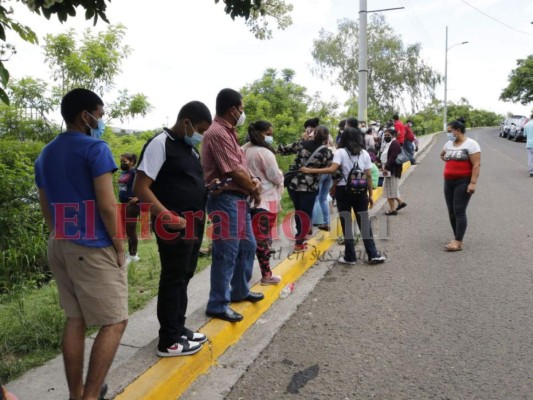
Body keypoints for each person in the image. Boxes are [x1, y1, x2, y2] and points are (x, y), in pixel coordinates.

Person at [34, 88, 127, 400]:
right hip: (92, 245)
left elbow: (46, 207)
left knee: (76, 319)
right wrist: (120, 244)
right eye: (99, 116)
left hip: (59, 242)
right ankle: (89, 397)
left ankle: (77, 395)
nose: (100, 122)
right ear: (84, 116)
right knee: (115, 321)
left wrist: (60, 234)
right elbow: (107, 204)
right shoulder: (95, 149)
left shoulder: (46, 154)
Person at [134, 101, 213, 357]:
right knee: (173, 278)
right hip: (173, 224)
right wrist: (166, 216)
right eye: (200, 129)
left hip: (193, 221)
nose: (200, 135)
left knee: (185, 275)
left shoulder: (189, 150)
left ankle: (178, 328)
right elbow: (141, 187)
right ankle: (168, 341)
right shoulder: (160, 143)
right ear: (187, 122)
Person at [201, 88, 264, 323]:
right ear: (233, 109)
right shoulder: (217, 133)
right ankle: (218, 303)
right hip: (225, 199)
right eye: (242, 108)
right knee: (226, 253)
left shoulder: (229, 132)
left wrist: (253, 183)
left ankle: (240, 290)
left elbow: (242, 166)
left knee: (247, 245)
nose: (242, 112)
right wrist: (254, 188)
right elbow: (234, 170)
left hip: (237, 200)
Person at [301, 127, 386, 265]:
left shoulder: (340, 152)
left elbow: (332, 169)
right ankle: (373, 254)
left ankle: (350, 257)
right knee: (364, 222)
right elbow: (369, 175)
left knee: (346, 223)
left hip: (344, 191)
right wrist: (370, 194)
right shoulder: (364, 153)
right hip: (361, 191)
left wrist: (310, 170)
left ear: (344, 138)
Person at [278, 125, 333, 252]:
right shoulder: (327, 152)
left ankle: (299, 237)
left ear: (313, 134)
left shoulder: (302, 143)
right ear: (326, 137)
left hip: (294, 184)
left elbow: (284, 150)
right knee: (305, 213)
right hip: (309, 187)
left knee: (298, 211)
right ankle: (299, 241)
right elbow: (333, 171)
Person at [242, 120, 283, 285]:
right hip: (266, 201)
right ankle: (266, 275)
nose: (270, 138)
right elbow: (275, 176)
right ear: (260, 133)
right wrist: (281, 174)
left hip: (246, 200)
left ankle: (243, 277)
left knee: (247, 240)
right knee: (263, 240)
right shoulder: (265, 153)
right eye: (269, 134)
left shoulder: (241, 150)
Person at [440, 118, 481, 251]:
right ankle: (457, 237)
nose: (448, 134)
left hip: (463, 181)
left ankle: (458, 241)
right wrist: (449, 160)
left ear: (458, 131)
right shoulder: (449, 144)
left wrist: (473, 183)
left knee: (459, 210)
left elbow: (476, 164)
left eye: (450, 131)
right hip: (448, 182)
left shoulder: (471, 144)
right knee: (451, 211)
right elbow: (442, 155)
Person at [118, 153, 141, 265]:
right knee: (127, 230)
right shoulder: (124, 172)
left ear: (132, 162)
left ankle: (133, 255)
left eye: (124, 161)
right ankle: (130, 253)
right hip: (123, 204)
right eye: (121, 161)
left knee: (131, 230)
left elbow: (145, 184)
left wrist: (139, 197)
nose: (122, 163)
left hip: (132, 205)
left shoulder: (134, 172)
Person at [381, 127, 407, 215]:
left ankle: (392, 209)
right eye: (384, 135)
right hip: (389, 169)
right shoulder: (389, 144)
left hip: (391, 170)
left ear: (393, 135)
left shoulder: (394, 143)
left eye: (388, 135)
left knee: (389, 189)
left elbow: (393, 157)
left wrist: (386, 168)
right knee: (391, 188)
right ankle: (400, 202)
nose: (386, 137)